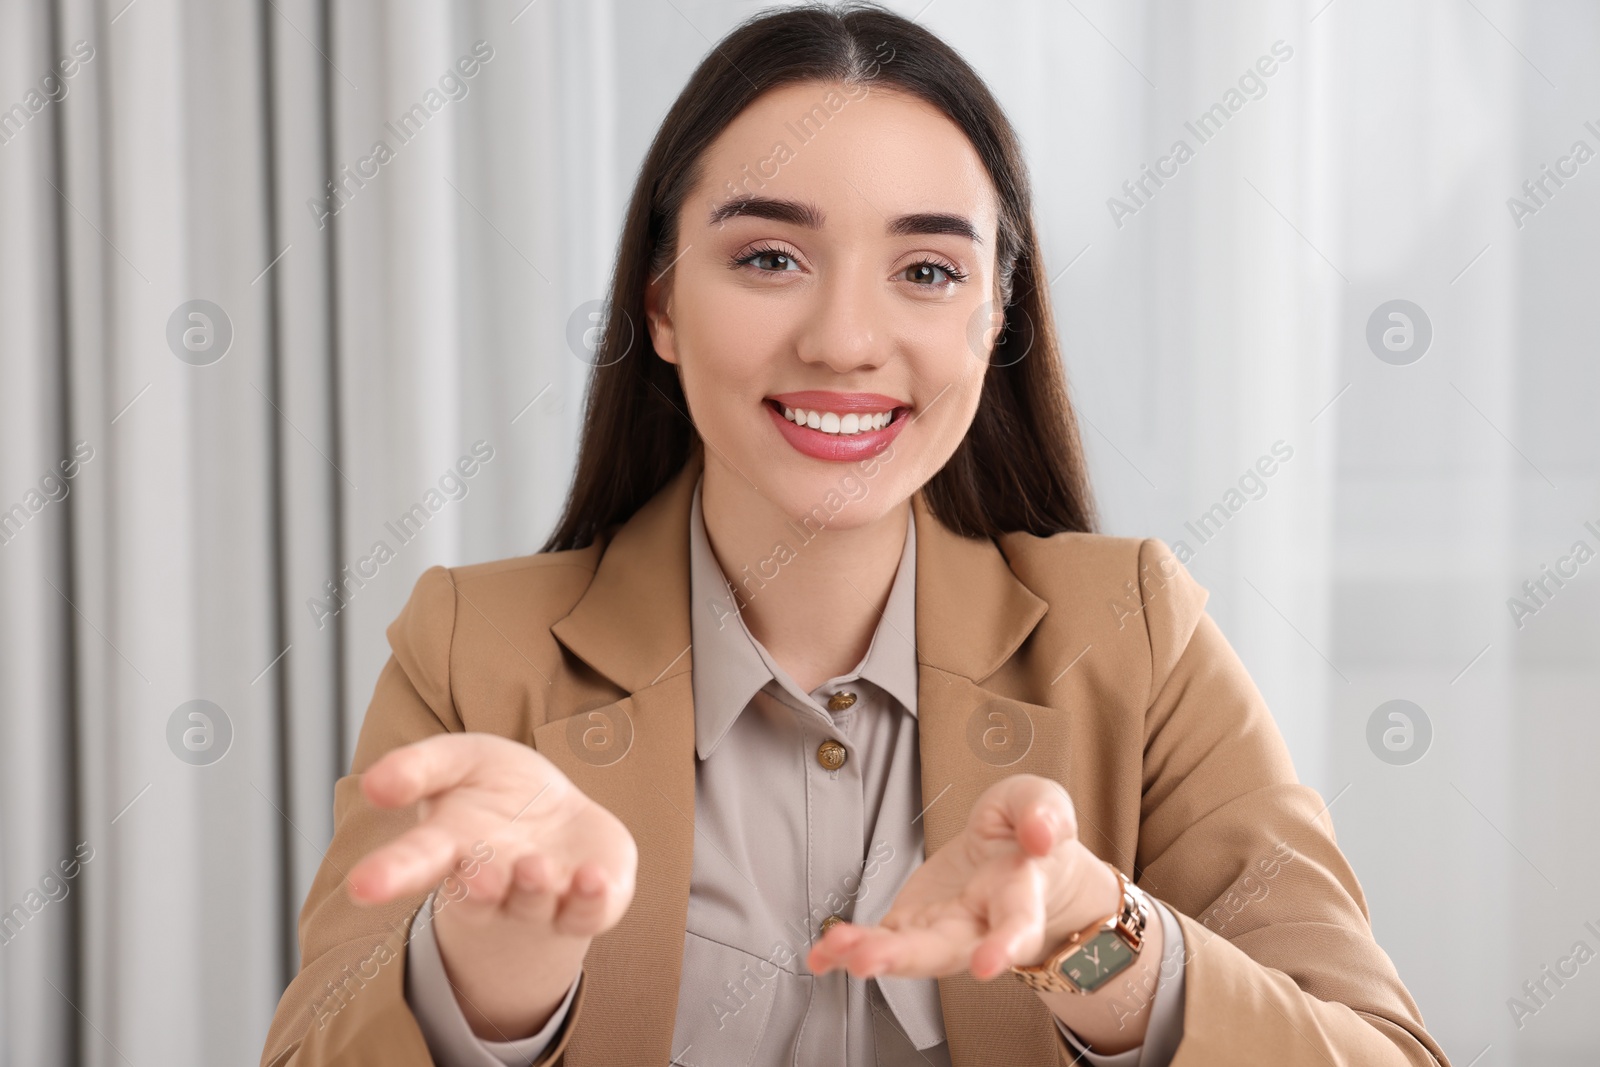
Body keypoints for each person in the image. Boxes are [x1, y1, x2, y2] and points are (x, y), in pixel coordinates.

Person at [260, 4, 1449, 1065]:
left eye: (926, 269)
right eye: (769, 256)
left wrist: (1099, 939)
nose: (842, 339)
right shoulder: (475, 650)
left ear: (996, 319)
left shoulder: (1133, 637)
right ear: (662, 303)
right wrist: (488, 974)